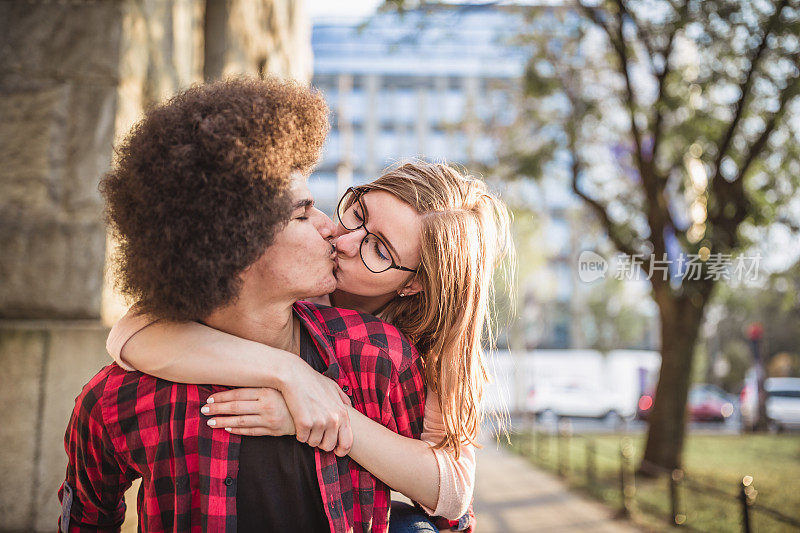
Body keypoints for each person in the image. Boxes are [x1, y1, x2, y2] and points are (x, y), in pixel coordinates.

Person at [58, 77, 426, 532]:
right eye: (301, 212)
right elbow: (85, 520)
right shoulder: (116, 400)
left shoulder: (380, 358)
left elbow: (449, 508)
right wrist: (287, 373)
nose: (331, 226)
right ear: (235, 244)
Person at [106, 161, 514, 531]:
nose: (345, 240)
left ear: (413, 283)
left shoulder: (428, 350)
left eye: (378, 248)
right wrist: (292, 374)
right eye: (357, 212)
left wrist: (321, 414)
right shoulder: (295, 279)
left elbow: (455, 491)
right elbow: (131, 333)